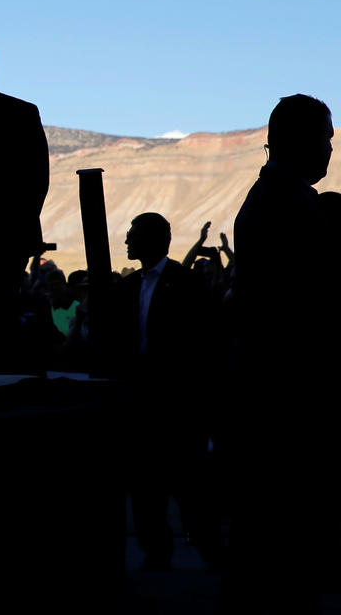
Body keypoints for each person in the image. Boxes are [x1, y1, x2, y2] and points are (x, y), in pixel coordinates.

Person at [224, 94, 336, 609]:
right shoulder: (286, 204)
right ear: (297, 140)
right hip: (286, 394)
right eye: (325, 137)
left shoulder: (281, 196)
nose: (330, 148)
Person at [98, 212, 218, 572]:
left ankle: (211, 549)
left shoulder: (187, 283)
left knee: (189, 482)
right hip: (139, 401)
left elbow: (203, 344)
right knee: (145, 483)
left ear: (153, 240)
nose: (126, 241)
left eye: (133, 234)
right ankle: (156, 551)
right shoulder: (127, 287)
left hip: (177, 402)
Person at [0, 42, 49, 349]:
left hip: (7, 234)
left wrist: (18, 223)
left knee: (0, 306)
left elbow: (37, 177)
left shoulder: (21, 113)